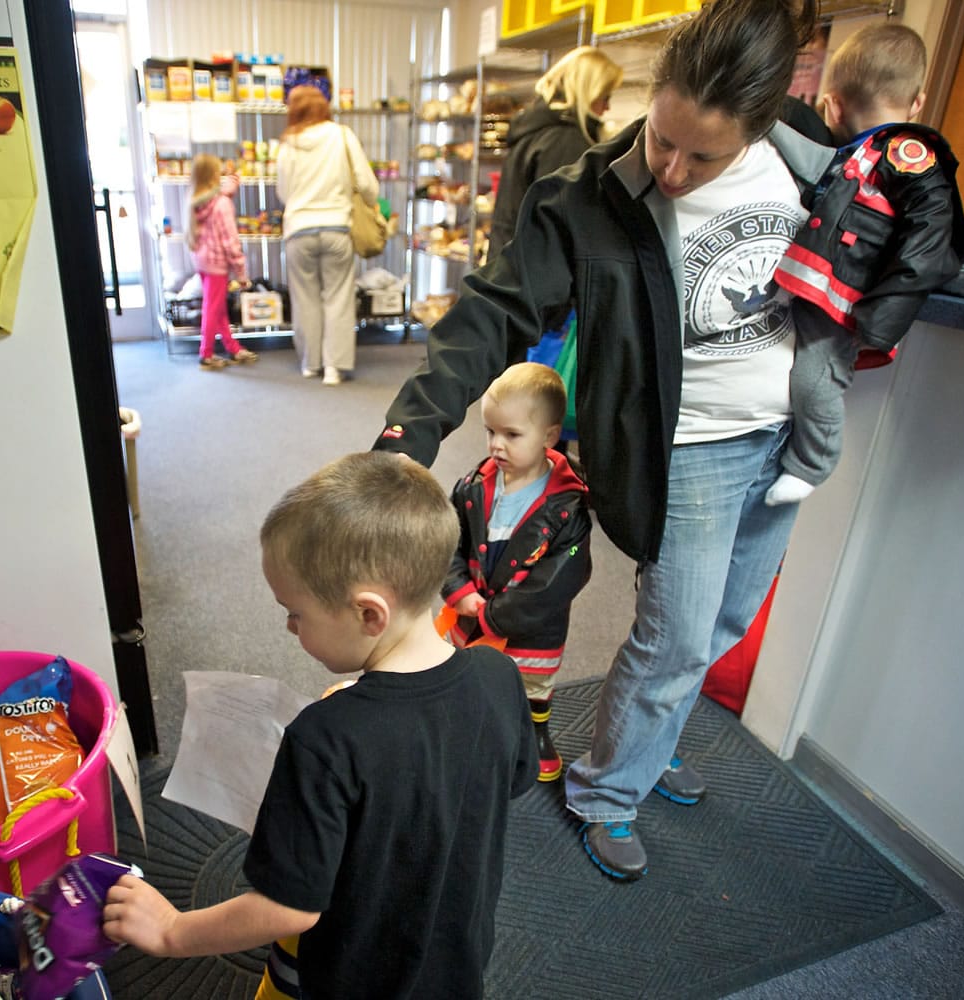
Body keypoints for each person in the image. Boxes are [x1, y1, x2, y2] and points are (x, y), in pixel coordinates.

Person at [373, 0, 840, 881]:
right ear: (650, 98)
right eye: (661, 138)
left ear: (765, 120)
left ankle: (650, 742)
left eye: (702, 155)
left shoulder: (809, 157)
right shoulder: (593, 193)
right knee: (673, 640)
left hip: (777, 442)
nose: (669, 167)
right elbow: (492, 309)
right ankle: (606, 794)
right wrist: (409, 433)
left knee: (725, 626)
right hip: (686, 454)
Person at [102, 451, 538, 999]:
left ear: (369, 614)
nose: (288, 627)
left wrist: (171, 931)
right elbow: (502, 778)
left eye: (295, 611)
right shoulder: (498, 675)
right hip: (456, 963)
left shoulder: (325, 737)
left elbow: (289, 907)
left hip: (352, 977)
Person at [767, 22, 964, 505]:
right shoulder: (860, 154)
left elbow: (928, 242)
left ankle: (813, 462)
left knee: (814, 378)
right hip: (817, 283)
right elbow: (813, 163)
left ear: (834, 105)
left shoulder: (911, 156)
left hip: (847, 302)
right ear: (918, 100)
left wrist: (885, 315)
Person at [442, 361, 592, 783]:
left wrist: (497, 615)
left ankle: (535, 732)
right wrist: (459, 592)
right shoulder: (472, 486)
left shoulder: (568, 506)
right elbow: (450, 542)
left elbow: (560, 577)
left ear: (548, 437)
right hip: (471, 609)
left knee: (530, 686)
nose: (496, 445)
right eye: (491, 432)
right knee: (471, 674)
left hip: (532, 627)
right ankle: (473, 729)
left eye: (511, 434)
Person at [276, 85, 380, 386]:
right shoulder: (342, 135)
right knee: (338, 298)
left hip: (299, 230)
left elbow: (283, 193)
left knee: (305, 298)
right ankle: (334, 368)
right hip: (337, 228)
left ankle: (310, 363)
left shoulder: (288, 144)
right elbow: (368, 185)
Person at [487, 46, 624, 260]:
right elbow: (559, 229)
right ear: (588, 92)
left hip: (511, 267)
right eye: (605, 96)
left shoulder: (536, 128)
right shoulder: (565, 140)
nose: (607, 107)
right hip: (534, 277)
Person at [187, 153, 255, 369]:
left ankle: (232, 347)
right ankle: (206, 353)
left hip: (202, 261)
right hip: (216, 264)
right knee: (212, 307)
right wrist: (242, 273)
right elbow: (230, 242)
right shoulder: (222, 204)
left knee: (217, 307)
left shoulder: (196, 200)